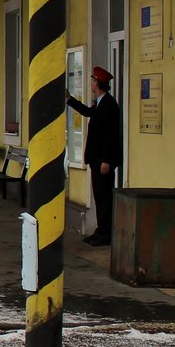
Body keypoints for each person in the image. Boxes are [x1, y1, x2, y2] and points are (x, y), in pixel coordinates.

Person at [66, 66, 123, 246]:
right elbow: (88, 112)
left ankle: (106, 233)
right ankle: (101, 230)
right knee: (99, 196)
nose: (91, 83)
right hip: (96, 159)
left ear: (98, 83)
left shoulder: (109, 105)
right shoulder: (100, 103)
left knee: (104, 197)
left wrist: (107, 160)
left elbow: (110, 135)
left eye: (92, 81)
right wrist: (69, 99)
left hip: (103, 161)